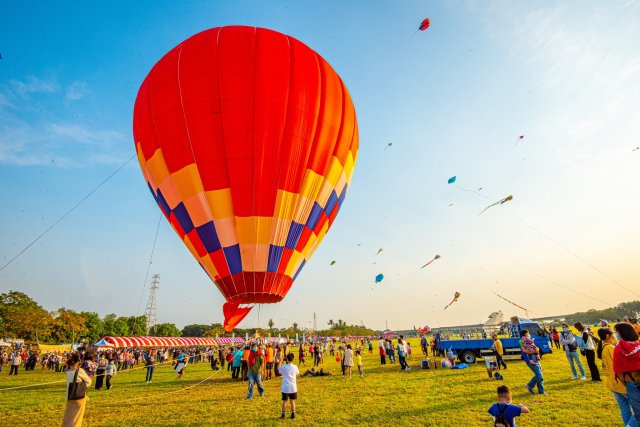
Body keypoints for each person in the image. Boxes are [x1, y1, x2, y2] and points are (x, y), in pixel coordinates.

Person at [597, 327, 637, 427]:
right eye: (613, 334)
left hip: (612, 383)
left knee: (624, 408)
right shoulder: (610, 348)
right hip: (620, 383)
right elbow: (621, 364)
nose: (615, 335)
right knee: (638, 410)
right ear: (607, 336)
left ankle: (627, 424)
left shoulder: (602, 346)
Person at [613, 322, 640, 424]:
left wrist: (628, 383)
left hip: (632, 383)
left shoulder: (619, 349)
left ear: (622, 333)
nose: (616, 334)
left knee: (638, 413)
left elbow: (618, 370)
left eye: (617, 332)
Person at [62, 354, 91, 427]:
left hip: (70, 395)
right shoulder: (80, 370)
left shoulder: (68, 370)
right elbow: (89, 382)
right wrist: (82, 385)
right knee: (77, 417)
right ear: (79, 361)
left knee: (69, 415)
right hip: (79, 395)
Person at [279, 353, 299, 420]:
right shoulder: (295, 367)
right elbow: (297, 373)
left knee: (284, 401)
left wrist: (280, 361)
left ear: (286, 359)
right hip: (293, 387)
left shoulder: (284, 366)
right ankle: (293, 414)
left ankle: (283, 415)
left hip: (285, 388)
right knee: (292, 401)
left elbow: (279, 370)